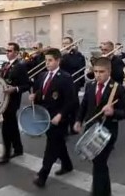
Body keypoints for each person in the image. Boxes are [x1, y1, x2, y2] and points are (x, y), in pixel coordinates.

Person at [74, 57, 125, 196]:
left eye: (101, 72)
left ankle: (98, 192)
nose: (98, 74)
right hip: (91, 130)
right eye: (96, 71)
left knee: (99, 163)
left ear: (109, 71)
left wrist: (113, 112)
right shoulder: (90, 86)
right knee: (99, 164)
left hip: (107, 131)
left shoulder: (117, 88)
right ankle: (105, 191)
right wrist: (78, 120)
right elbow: (84, 105)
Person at [29, 48, 76, 188]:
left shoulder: (65, 77)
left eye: (50, 60)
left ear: (58, 61)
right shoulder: (43, 75)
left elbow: (71, 100)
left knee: (51, 147)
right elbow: (41, 93)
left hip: (58, 119)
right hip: (45, 117)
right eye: (46, 60)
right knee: (58, 143)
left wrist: (61, 115)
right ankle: (67, 165)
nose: (47, 63)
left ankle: (42, 175)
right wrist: (34, 96)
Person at [0, 42, 29, 165]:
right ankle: (18, 149)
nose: (7, 53)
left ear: (16, 52)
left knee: (6, 128)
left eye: (10, 51)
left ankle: (6, 155)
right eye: (6, 50)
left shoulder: (20, 66)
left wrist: (14, 89)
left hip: (12, 101)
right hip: (4, 100)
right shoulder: (5, 65)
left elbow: (26, 85)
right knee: (13, 126)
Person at [60, 37, 86, 135]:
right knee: (62, 106)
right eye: (63, 43)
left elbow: (75, 64)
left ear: (72, 44)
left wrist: (65, 56)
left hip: (73, 83)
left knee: (73, 106)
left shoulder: (78, 55)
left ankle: (73, 127)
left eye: (66, 43)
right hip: (62, 83)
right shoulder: (61, 55)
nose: (64, 46)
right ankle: (63, 129)